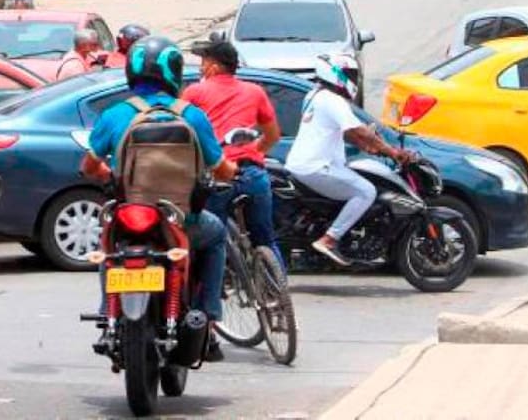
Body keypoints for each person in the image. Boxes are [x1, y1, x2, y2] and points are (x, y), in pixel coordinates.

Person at [79, 36, 237, 360]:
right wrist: (232, 169)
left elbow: (89, 166)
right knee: (217, 234)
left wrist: (109, 174)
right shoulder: (192, 116)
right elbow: (221, 171)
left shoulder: (114, 115)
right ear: (173, 72)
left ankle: (105, 309)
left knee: (109, 245)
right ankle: (209, 313)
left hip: (130, 218)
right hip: (182, 221)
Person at [285, 54, 418, 267]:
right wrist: (392, 152)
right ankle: (329, 240)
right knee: (366, 191)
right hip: (317, 168)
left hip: (306, 165)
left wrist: (372, 147)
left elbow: (347, 133)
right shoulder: (333, 100)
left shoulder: (315, 95)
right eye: (349, 75)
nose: (353, 80)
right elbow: (358, 130)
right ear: (336, 74)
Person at [184, 39, 284, 267]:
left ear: (215, 66)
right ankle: (278, 291)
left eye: (204, 62)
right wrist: (254, 150)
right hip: (253, 174)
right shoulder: (255, 91)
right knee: (266, 240)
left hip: (218, 176)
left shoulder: (194, 92)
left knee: (211, 241)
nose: (201, 68)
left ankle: (211, 296)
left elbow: (182, 131)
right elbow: (272, 136)